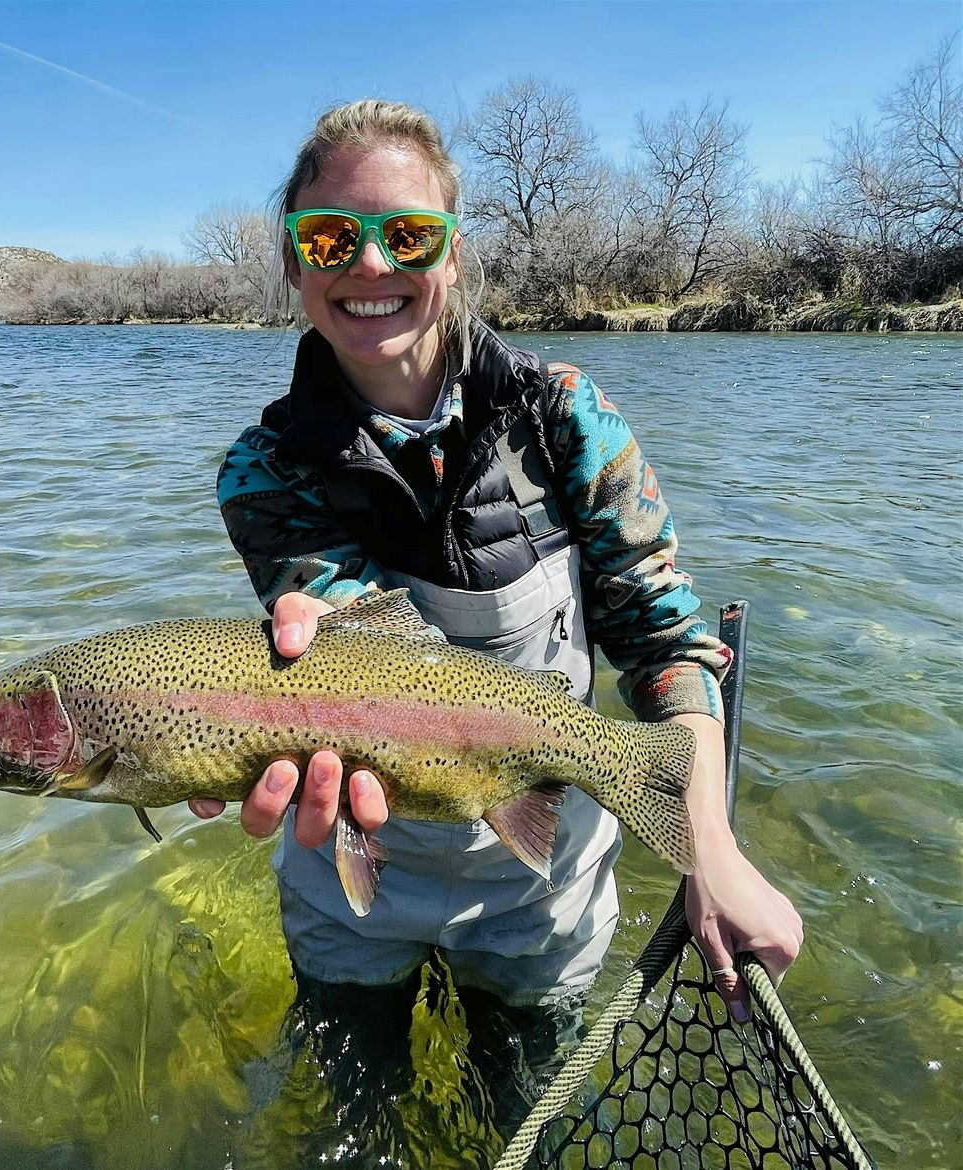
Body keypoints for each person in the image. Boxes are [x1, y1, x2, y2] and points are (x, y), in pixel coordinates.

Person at [195, 98, 803, 1149]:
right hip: (351, 869)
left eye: (409, 236)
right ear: (295, 268)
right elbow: (348, 641)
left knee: (519, 1115)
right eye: (331, 238)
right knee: (357, 1111)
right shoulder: (265, 470)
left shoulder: (567, 416)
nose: (371, 264)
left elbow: (666, 645)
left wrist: (709, 849)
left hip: (541, 879)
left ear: (454, 254)